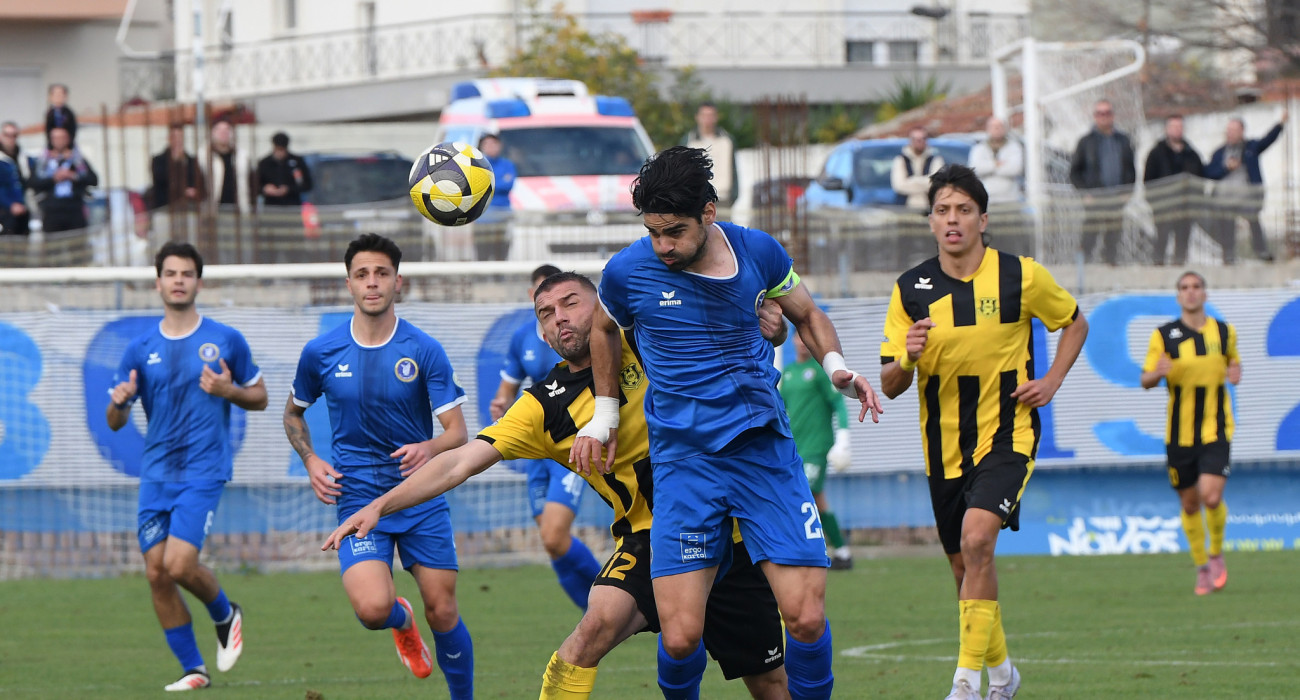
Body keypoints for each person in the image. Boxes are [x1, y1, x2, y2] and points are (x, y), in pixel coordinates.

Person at [324, 271, 792, 700]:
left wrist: (768, 322)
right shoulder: (543, 407)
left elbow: (725, 307)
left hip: (729, 528)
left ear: (602, 307)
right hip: (652, 538)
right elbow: (457, 464)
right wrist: (379, 506)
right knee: (589, 633)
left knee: (770, 682)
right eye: (546, 314)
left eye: (571, 303)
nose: (559, 318)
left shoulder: (650, 341)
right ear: (543, 334)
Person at [574, 146, 885, 700]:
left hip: (762, 455)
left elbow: (806, 314)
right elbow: (602, 329)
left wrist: (837, 368)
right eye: (653, 233)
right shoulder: (627, 271)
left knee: (807, 618)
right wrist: (603, 416)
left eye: (674, 232)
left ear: (709, 213)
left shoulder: (758, 251)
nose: (662, 246)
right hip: (684, 465)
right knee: (679, 637)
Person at [879, 164, 1089, 700]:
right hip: (943, 445)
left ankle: (965, 684)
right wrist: (908, 355)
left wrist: (1052, 380)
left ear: (982, 218)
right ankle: (1002, 677)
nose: (954, 220)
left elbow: (1074, 321)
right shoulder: (910, 291)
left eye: (964, 211)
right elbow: (891, 383)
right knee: (964, 568)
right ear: (930, 221)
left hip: (1008, 433)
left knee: (978, 540)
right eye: (944, 211)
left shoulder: (1022, 275)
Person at [283, 233, 474, 698]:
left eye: (382, 274)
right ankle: (400, 619)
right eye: (363, 274)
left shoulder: (424, 349)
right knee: (372, 610)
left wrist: (429, 447)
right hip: (358, 498)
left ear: (398, 282)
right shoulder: (321, 352)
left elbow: (458, 433)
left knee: (444, 611)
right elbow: (292, 412)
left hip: (420, 495)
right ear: (348, 283)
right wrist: (310, 458)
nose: (373, 283)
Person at [106, 241, 267, 691]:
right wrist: (119, 404)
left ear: (199, 281)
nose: (178, 280)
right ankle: (194, 669)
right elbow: (115, 422)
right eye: (171, 273)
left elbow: (260, 397)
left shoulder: (225, 340)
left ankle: (225, 612)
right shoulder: (140, 349)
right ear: (158, 282)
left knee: (178, 565)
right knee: (156, 572)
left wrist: (227, 391)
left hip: (203, 469)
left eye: (187, 273)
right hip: (156, 473)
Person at [488, 263, 601, 611]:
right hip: (539, 449)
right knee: (552, 542)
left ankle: (613, 604)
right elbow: (506, 389)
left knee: (554, 534)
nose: (557, 315)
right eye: (545, 305)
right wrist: (501, 402)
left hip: (572, 445)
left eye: (565, 303)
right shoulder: (523, 337)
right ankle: (596, 613)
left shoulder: (586, 332)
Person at [1140, 271, 1239, 596]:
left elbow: (1233, 364)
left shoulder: (1224, 333)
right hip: (1179, 436)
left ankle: (1216, 554)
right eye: (1185, 288)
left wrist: (1236, 372)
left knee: (1212, 496)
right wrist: (1157, 373)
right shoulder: (1164, 336)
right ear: (1178, 296)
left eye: (1197, 286)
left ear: (1205, 294)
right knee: (1191, 504)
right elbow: (1145, 380)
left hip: (1216, 429)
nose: (1191, 292)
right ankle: (1201, 568)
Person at [780, 331, 853, 570]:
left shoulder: (820, 372)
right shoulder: (788, 373)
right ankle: (841, 551)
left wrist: (843, 437)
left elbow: (838, 404)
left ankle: (807, 550)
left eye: (805, 338)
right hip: (795, 448)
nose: (802, 343)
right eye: (798, 338)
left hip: (817, 447)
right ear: (792, 341)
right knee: (816, 499)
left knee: (805, 493)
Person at [1205, 111, 1285, 262]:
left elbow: (1267, 140)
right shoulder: (1219, 153)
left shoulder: (1250, 148)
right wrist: (1226, 168)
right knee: (1227, 227)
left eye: (1234, 131)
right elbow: (1209, 172)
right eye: (1228, 131)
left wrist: (1280, 125)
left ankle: (1261, 252)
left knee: (1254, 222)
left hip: (1247, 196)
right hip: (1224, 198)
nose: (1230, 134)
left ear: (1241, 132)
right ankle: (1228, 256)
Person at [1069, 99, 1136, 265]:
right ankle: (1083, 269)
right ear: (1095, 116)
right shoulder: (1086, 142)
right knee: (1090, 235)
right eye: (1100, 113)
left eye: (1107, 113)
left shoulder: (1123, 140)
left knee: (1114, 235)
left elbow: (1131, 169)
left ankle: (1110, 267)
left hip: (1117, 197)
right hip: (1095, 198)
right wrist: (1084, 193)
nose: (1104, 117)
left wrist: (1128, 192)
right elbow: (1074, 172)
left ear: (1112, 116)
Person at [1143, 115, 1205, 266]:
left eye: (1180, 127)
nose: (1177, 130)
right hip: (1164, 207)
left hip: (1186, 208)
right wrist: (1155, 203)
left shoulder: (1192, 154)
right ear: (1167, 129)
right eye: (1174, 127)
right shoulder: (1156, 153)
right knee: (1161, 239)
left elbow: (1199, 180)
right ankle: (1158, 269)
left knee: (1183, 241)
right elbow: (1148, 181)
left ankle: (1179, 269)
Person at [30, 126, 97, 233]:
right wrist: (54, 178)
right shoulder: (43, 162)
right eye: (55, 138)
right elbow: (33, 183)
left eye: (62, 138)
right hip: (52, 209)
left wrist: (73, 176)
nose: (59, 141)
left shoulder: (77, 160)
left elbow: (93, 180)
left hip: (74, 208)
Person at [679, 103, 739, 207]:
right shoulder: (688, 141)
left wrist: (734, 195)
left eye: (711, 115)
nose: (708, 119)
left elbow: (733, 169)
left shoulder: (727, 140)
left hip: (723, 198)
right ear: (697, 117)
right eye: (704, 116)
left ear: (716, 117)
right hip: (696, 200)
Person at [473, 133, 515, 260]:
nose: (491, 147)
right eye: (487, 144)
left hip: (502, 216)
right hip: (482, 217)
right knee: (482, 252)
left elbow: (508, 185)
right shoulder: (477, 165)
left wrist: (488, 183)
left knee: (501, 251)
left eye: (493, 144)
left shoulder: (508, 164)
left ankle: (500, 278)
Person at [200, 119, 253, 213]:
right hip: (212, 210)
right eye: (219, 130)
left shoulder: (242, 156)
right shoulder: (203, 156)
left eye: (227, 130)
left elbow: (250, 181)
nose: (223, 133)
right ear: (212, 133)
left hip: (239, 209)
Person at [967, 116, 1023, 204]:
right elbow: (975, 169)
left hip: (1010, 198)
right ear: (988, 129)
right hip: (987, 198)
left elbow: (1015, 168)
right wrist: (995, 164)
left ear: (1005, 128)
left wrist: (988, 167)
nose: (997, 129)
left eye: (999, 126)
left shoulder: (1014, 147)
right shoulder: (979, 148)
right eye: (994, 127)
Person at [891, 126, 945, 211]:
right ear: (910, 141)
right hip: (904, 210)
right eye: (915, 139)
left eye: (923, 139)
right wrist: (927, 181)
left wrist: (910, 181)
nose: (919, 142)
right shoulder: (900, 160)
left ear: (927, 140)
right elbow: (899, 186)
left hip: (931, 210)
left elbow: (937, 184)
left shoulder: (936, 160)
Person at [152, 124, 204, 211]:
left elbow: (199, 181)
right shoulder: (158, 160)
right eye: (174, 137)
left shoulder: (191, 161)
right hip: (165, 207)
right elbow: (162, 180)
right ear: (169, 139)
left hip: (189, 207)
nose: (178, 140)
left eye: (180, 137)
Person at [255, 131, 313, 207]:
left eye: (282, 149)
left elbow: (307, 184)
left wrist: (289, 189)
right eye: (278, 149)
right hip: (271, 206)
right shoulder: (264, 163)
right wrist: (265, 189)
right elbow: (255, 186)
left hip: (292, 205)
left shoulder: (297, 162)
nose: (280, 153)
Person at [0, 122, 28, 236]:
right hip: (4, 212)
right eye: (7, 135)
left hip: (23, 212)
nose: (11, 139)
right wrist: (10, 204)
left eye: (14, 135)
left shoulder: (23, 159)